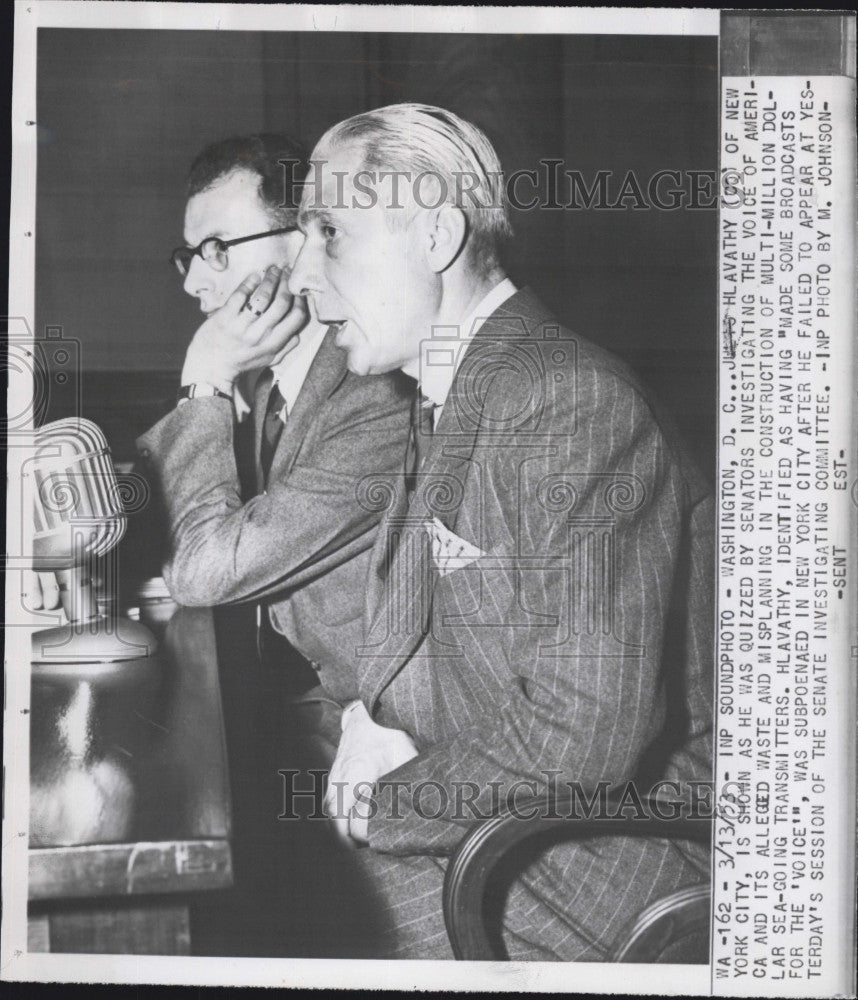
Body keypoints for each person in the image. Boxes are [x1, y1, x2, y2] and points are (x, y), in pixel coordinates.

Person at [286, 103, 715, 960]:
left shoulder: (564, 400)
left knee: (292, 871)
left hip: (617, 844)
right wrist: (368, 718)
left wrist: (388, 801)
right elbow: (423, 634)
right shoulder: (456, 385)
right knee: (275, 781)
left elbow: (585, 731)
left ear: (437, 233)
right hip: (531, 803)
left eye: (328, 231)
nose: (301, 273)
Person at [135, 133, 412, 956]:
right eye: (186, 255)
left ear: (305, 242)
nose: (193, 278)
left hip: (380, 729)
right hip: (292, 705)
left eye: (217, 249)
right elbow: (143, 481)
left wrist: (204, 378)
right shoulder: (274, 381)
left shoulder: (375, 391)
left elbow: (206, 569)